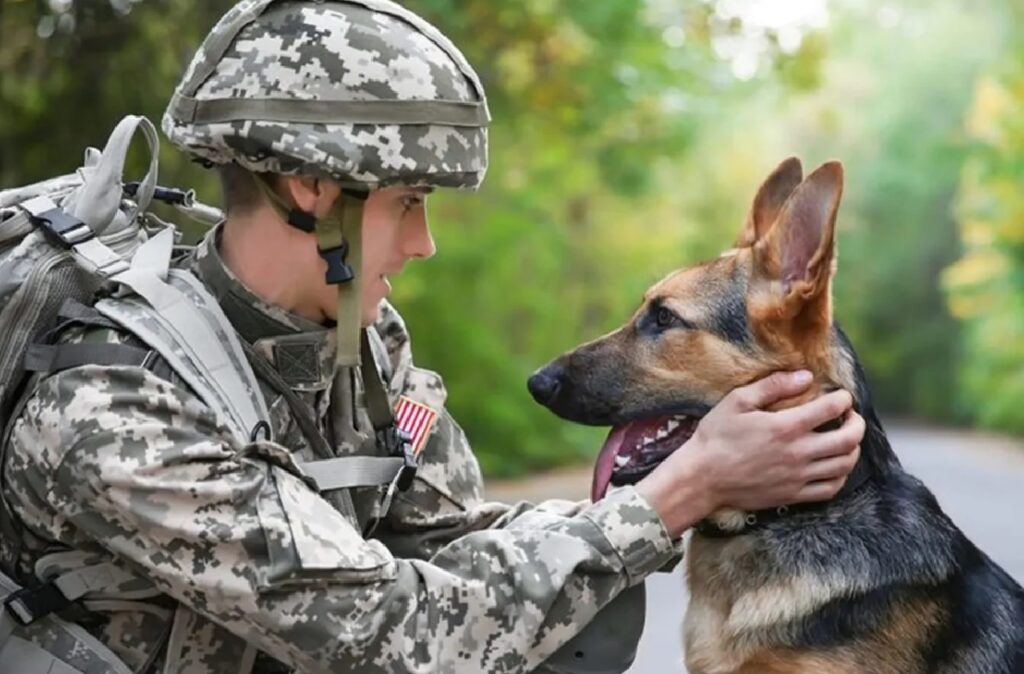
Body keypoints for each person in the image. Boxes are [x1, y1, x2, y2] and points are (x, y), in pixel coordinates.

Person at [0, 1, 864, 672]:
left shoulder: (357, 347)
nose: (423, 244)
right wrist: (683, 488)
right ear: (310, 189)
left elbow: (457, 545)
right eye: (408, 204)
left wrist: (731, 479)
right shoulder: (116, 403)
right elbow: (391, 636)